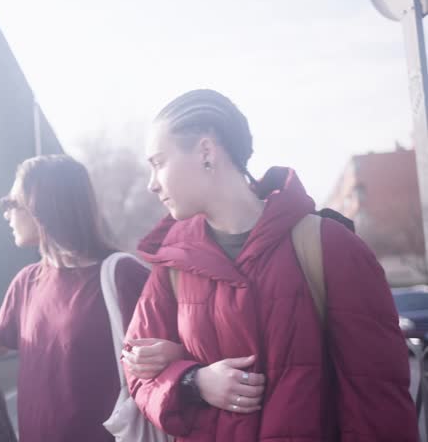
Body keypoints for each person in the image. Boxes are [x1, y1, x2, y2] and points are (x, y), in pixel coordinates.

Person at [122, 89, 419, 441]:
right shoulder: (171, 264)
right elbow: (138, 372)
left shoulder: (329, 246)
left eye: (158, 162)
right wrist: (193, 380)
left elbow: (376, 401)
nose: (152, 184)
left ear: (205, 150)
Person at [0, 154, 180, 442]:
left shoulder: (122, 274)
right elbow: (0, 340)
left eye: (12, 204)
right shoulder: (27, 281)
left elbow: (177, 349)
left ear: (42, 206)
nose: (5, 213)